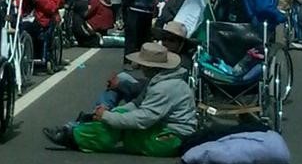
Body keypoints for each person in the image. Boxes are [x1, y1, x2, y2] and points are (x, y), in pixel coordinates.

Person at [43, 43, 196, 157]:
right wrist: (114, 113)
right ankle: (78, 133)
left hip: (172, 138)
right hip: (162, 128)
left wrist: (109, 117)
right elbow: (137, 104)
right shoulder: (160, 81)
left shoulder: (164, 87)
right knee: (117, 117)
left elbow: (142, 119)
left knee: (117, 127)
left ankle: (74, 136)